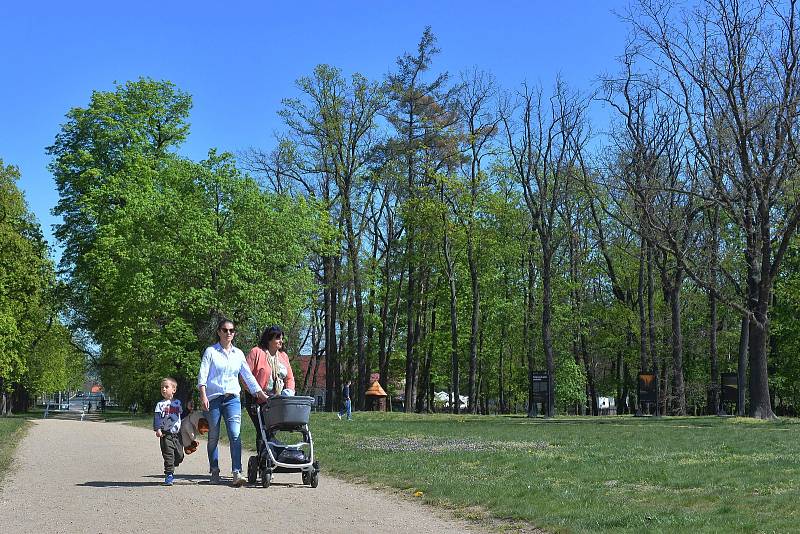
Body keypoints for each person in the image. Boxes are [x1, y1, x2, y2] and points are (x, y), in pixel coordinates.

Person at [198, 317, 268, 487]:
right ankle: (214, 471)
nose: (229, 333)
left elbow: (247, 376)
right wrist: (203, 396)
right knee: (213, 436)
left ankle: (237, 472)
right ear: (219, 332)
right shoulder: (211, 351)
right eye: (225, 330)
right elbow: (203, 375)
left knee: (235, 435)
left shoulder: (238, 354)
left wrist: (260, 393)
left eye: (232, 330)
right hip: (214, 398)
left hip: (233, 399)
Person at [244, 325, 296, 453]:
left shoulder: (283, 356)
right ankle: (264, 462)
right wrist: (258, 393)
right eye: (278, 338)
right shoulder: (256, 352)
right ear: (269, 339)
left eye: (282, 338)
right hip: (257, 399)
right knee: (262, 429)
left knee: (270, 430)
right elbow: (244, 376)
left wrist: (289, 392)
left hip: (277, 401)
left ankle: (274, 454)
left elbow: (290, 378)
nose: (281, 341)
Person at [153, 377, 184, 486]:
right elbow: (157, 418)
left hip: (177, 435)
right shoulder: (160, 404)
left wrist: (189, 409)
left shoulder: (177, 403)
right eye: (162, 387)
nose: (164, 389)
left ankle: (174, 463)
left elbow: (182, 415)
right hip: (165, 434)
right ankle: (169, 475)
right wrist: (157, 429)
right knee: (168, 455)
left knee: (180, 456)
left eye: (166, 387)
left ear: (174, 390)